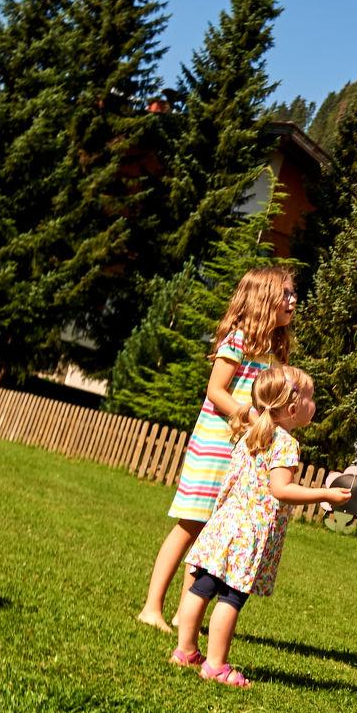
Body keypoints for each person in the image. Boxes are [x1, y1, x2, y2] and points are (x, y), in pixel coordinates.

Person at [138, 265, 296, 631]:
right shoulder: (238, 341)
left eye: (292, 293)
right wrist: (252, 416)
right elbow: (216, 391)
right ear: (263, 297)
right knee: (190, 525)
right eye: (285, 293)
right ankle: (151, 607)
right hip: (215, 445)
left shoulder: (275, 350)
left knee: (212, 532)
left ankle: (184, 613)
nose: (293, 300)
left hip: (244, 452)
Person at [169, 366, 338, 687]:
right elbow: (281, 489)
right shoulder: (285, 442)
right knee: (232, 596)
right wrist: (324, 494)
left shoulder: (252, 432)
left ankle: (185, 650)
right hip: (250, 532)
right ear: (292, 408)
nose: (314, 404)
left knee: (201, 586)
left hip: (224, 523)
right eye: (310, 398)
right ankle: (216, 665)